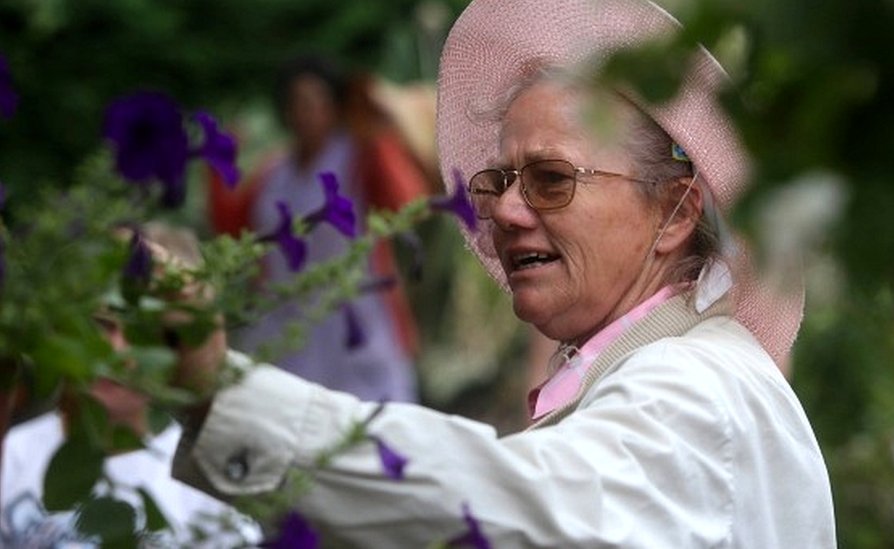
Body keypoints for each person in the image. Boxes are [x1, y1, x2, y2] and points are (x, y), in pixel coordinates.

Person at [171, 0, 836, 546]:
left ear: (675, 212)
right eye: (497, 181)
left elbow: (504, 507)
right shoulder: (676, 369)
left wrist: (221, 390)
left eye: (551, 179)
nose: (505, 211)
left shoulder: (691, 387)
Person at [0, 225, 261, 548]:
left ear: (182, 353)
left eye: (145, 333)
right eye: (102, 324)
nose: (119, 351)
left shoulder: (205, 488)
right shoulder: (13, 452)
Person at [208, 55, 427, 402]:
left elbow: (407, 204)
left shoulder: (359, 154)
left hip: (359, 322)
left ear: (334, 105)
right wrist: (218, 165)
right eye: (297, 102)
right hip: (287, 325)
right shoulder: (274, 170)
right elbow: (234, 228)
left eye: (316, 100)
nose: (306, 112)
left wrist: (380, 133)